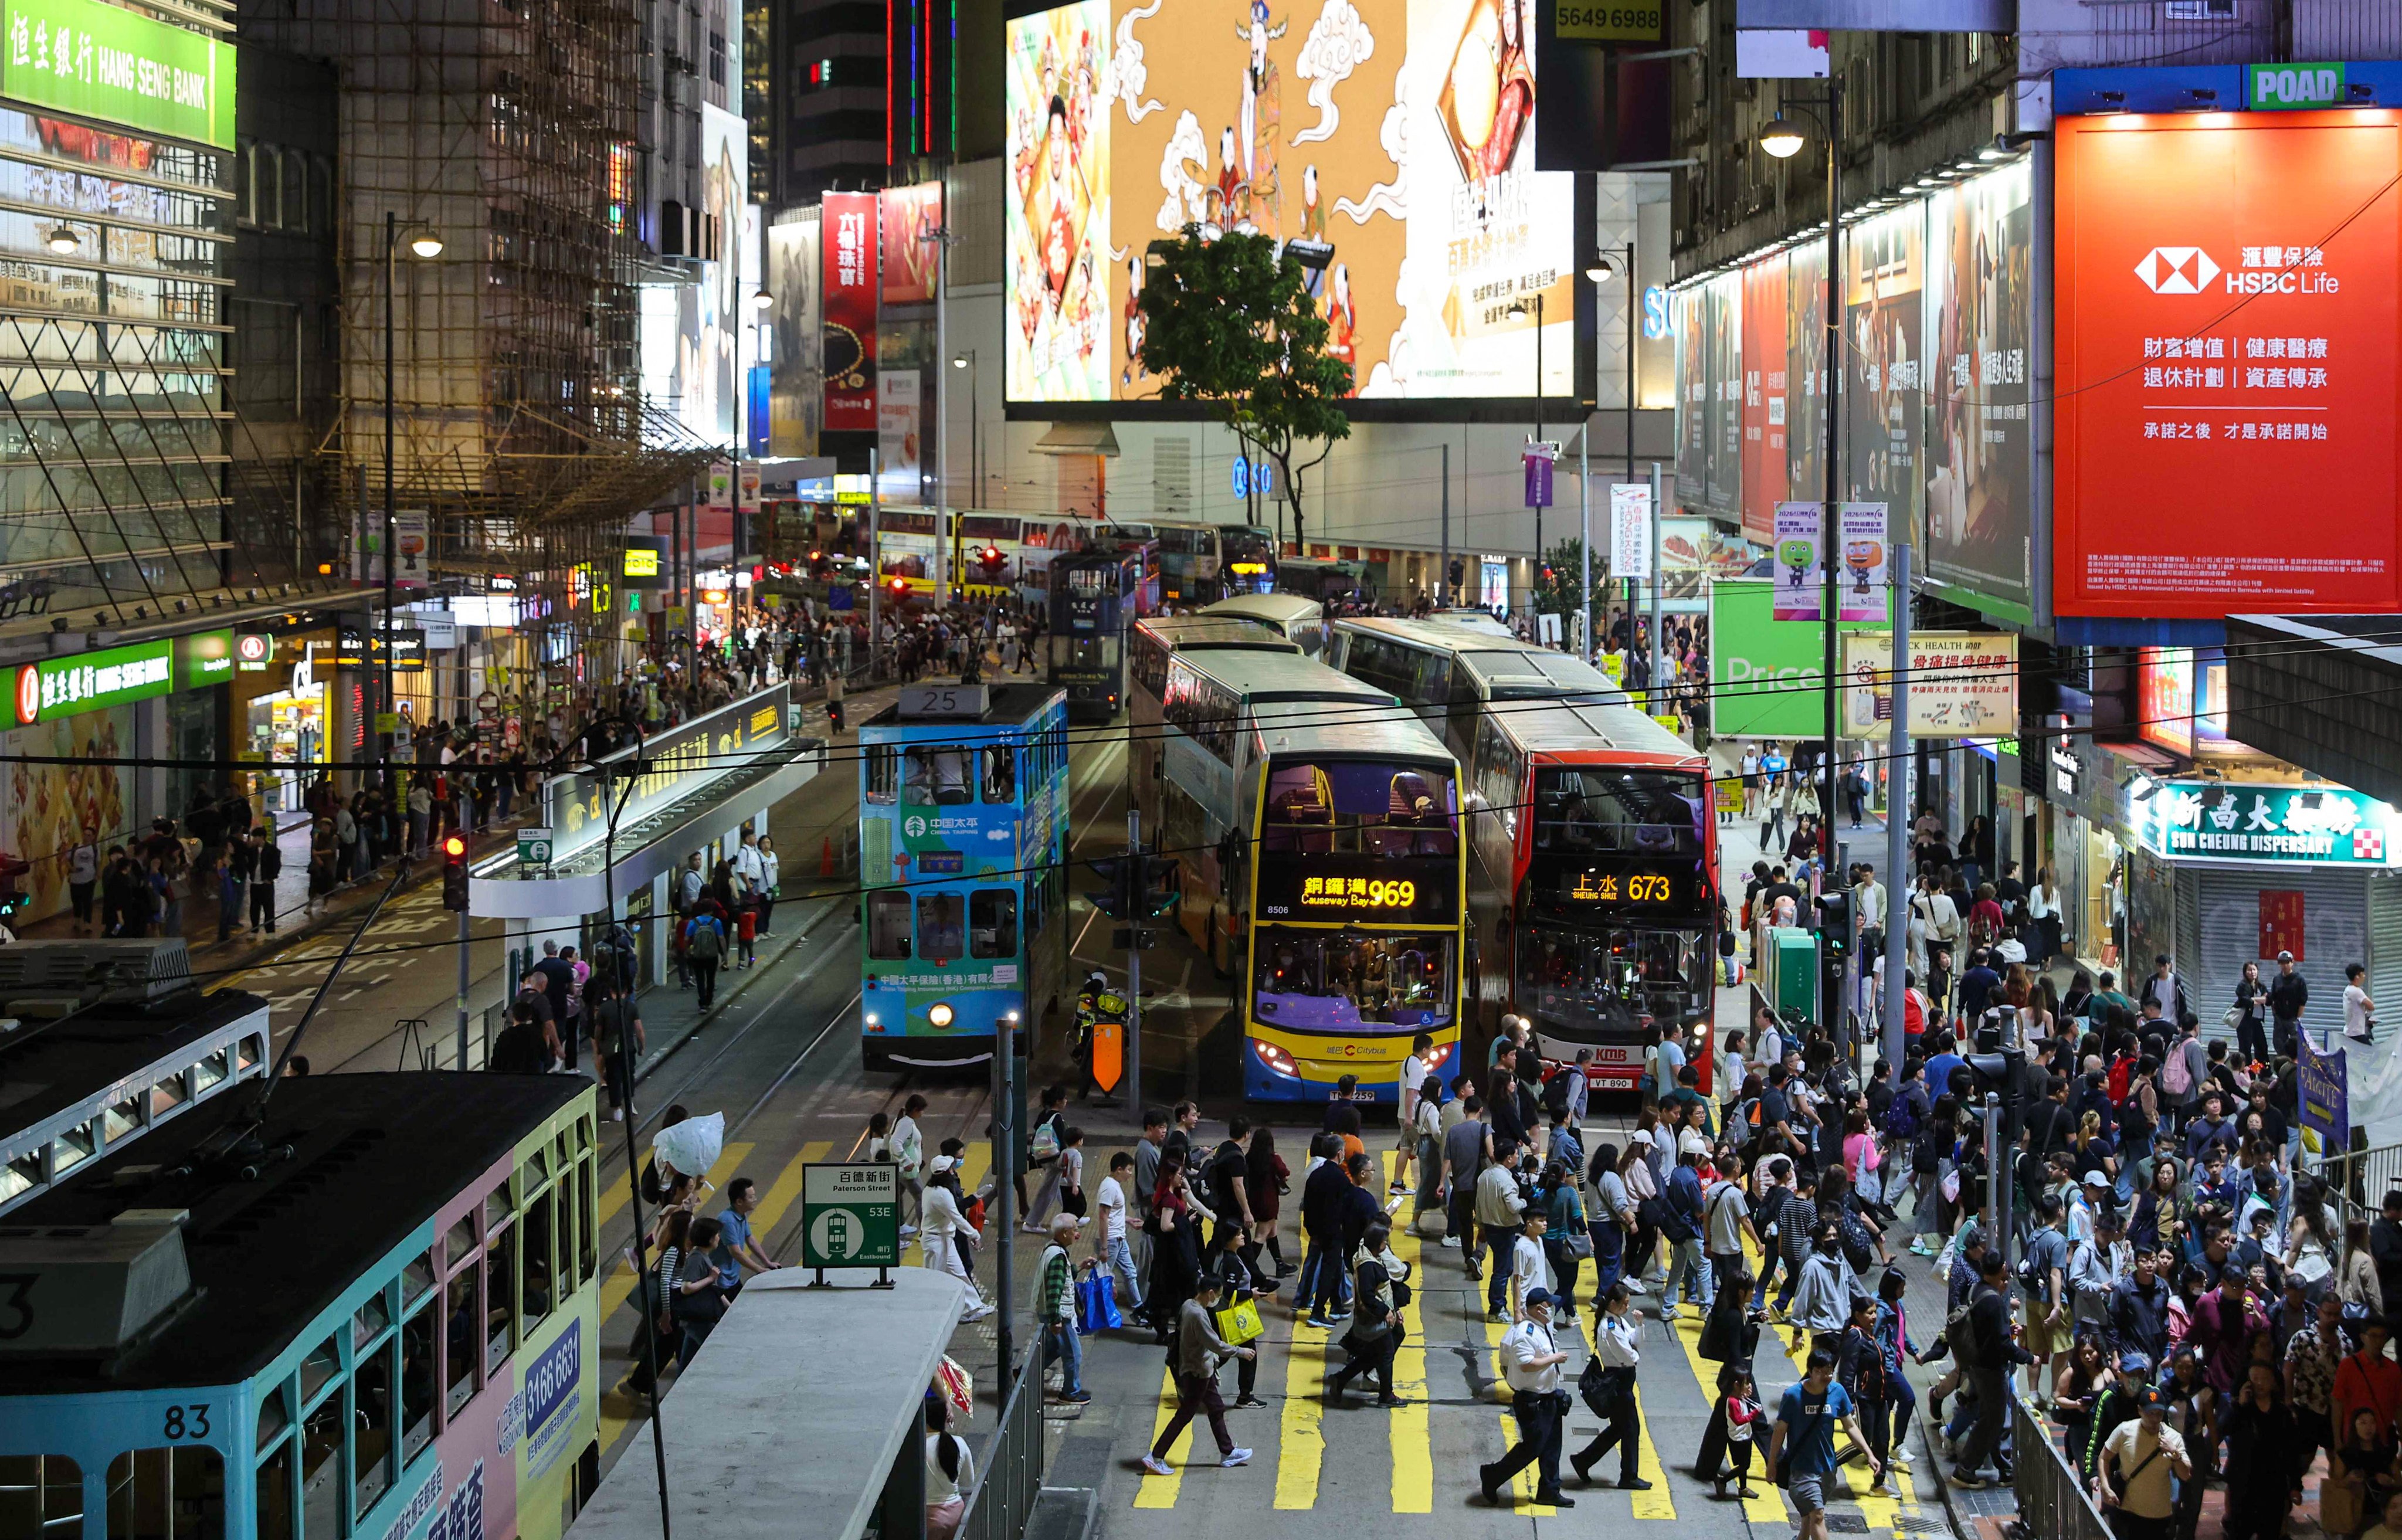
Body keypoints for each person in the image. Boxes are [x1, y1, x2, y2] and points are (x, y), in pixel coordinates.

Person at [1139, 1275, 1254, 1474]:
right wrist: (1241, 1352)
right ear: (1210, 1293)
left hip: (1200, 1369)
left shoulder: (1188, 1305)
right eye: (1217, 1295)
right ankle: (1156, 1456)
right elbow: (1215, 1344)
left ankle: (1227, 1452)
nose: (1217, 1299)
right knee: (1185, 1415)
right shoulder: (1198, 1316)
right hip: (1197, 1372)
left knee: (1216, 1408)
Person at [1766, 1345, 1879, 1540]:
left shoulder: (1837, 1392)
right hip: (1802, 1470)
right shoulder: (1793, 1396)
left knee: (1809, 1517)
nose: (1826, 1377)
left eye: (1829, 1372)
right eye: (1821, 1372)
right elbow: (1779, 1432)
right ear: (1810, 1371)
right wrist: (1771, 1465)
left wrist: (1869, 1454)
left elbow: (1850, 1427)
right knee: (1818, 1516)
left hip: (1827, 1468)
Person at [1481, 1287, 1575, 1507]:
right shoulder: (1525, 1334)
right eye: (1548, 1305)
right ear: (1538, 1308)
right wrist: (1553, 1359)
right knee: (1532, 1448)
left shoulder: (1542, 1327)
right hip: (1533, 1402)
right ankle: (1493, 1475)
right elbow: (1526, 1365)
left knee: (1553, 1446)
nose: (1551, 1309)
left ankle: (1550, 1490)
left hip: (1548, 1398)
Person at [1570, 1280, 1651, 1489]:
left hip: (1622, 1380)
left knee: (1619, 1429)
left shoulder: (1618, 1321)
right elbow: (1628, 1355)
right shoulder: (1611, 1327)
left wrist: (1640, 1325)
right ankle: (1629, 1476)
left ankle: (1583, 1460)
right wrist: (1635, 1353)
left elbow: (1635, 1341)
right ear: (1613, 1303)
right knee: (1631, 1428)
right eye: (1624, 1303)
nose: (1627, 1307)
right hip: (1619, 1382)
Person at [1325, 1219, 1406, 1406]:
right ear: (1377, 1243)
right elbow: (1368, 1296)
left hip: (1381, 1317)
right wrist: (1386, 1311)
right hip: (1376, 1319)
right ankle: (1386, 1395)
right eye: (1384, 1242)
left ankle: (1341, 1379)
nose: (1386, 1245)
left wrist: (1395, 1309)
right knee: (1385, 1355)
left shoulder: (1366, 1253)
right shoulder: (1368, 1266)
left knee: (1373, 1354)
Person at [2095, 1388, 2193, 1540]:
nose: (2155, 1419)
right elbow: (2103, 1458)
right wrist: (2105, 1487)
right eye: (2150, 1414)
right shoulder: (2125, 1430)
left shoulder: (2173, 1438)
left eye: (2159, 1414)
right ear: (2140, 1410)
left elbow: (2186, 1475)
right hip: (2127, 1511)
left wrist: (2175, 1454)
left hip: (2159, 1515)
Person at [2223, 1359, 2302, 1540]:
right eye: (2255, 1378)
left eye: (2264, 1379)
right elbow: (2225, 1429)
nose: (2259, 1383)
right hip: (2244, 1485)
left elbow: (2292, 1451)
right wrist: (2240, 1406)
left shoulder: (2282, 1414)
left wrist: (2296, 1485)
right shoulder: (2240, 1409)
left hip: (2273, 1485)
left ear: (2273, 1382)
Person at [1037, 1213, 1091, 1404]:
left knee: (1054, 1348)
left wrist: (1080, 1267)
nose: (1078, 1234)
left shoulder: (1052, 1249)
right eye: (1075, 1230)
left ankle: (1024, 1373)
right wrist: (1055, 1319)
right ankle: (1070, 1393)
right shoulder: (1058, 1257)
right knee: (1074, 1353)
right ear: (1066, 1233)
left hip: (1050, 1311)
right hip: (1060, 1314)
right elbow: (1054, 1290)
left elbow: (1062, 1276)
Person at [1095, 1151, 1145, 1314]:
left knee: (1130, 1273)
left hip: (1119, 1239)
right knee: (1104, 1278)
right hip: (1111, 1241)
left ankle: (1138, 1309)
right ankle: (1099, 1310)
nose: (1131, 1174)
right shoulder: (1109, 1188)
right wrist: (1104, 1247)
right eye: (1129, 1170)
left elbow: (1114, 1214)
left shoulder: (1114, 1185)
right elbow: (1104, 1216)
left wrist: (1128, 1220)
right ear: (1119, 1169)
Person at [715, 1176, 779, 1295]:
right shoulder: (728, 1220)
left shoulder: (740, 1214)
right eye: (751, 1197)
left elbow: (750, 1240)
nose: (755, 1199)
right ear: (739, 1202)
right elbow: (736, 1252)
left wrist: (767, 1262)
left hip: (732, 1277)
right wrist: (759, 1269)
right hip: (722, 1279)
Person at [924, 1399, 974, 1540]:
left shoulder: (918, 1447)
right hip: (956, 1513)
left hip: (930, 1517)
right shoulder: (959, 1443)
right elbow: (968, 1481)